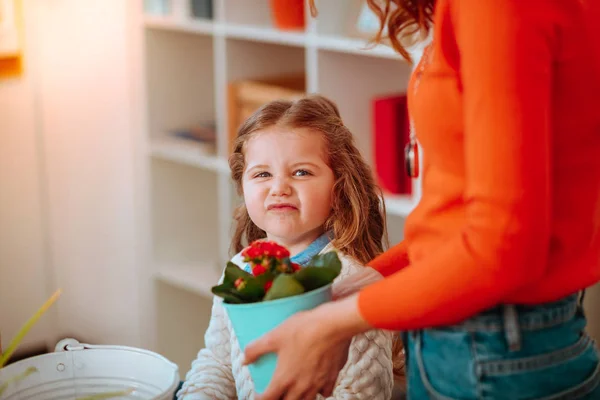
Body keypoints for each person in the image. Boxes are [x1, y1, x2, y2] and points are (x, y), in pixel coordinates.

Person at [243, 0, 600, 399]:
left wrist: (332, 323)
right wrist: (363, 284)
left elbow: (503, 247)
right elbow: (468, 218)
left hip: (491, 347)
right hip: (487, 340)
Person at [177, 95, 402, 400]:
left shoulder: (351, 284)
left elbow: (361, 393)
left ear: (339, 189)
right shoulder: (241, 270)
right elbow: (217, 364)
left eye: (301, 172)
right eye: (262, 174)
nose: (279, 187)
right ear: (243, 186)